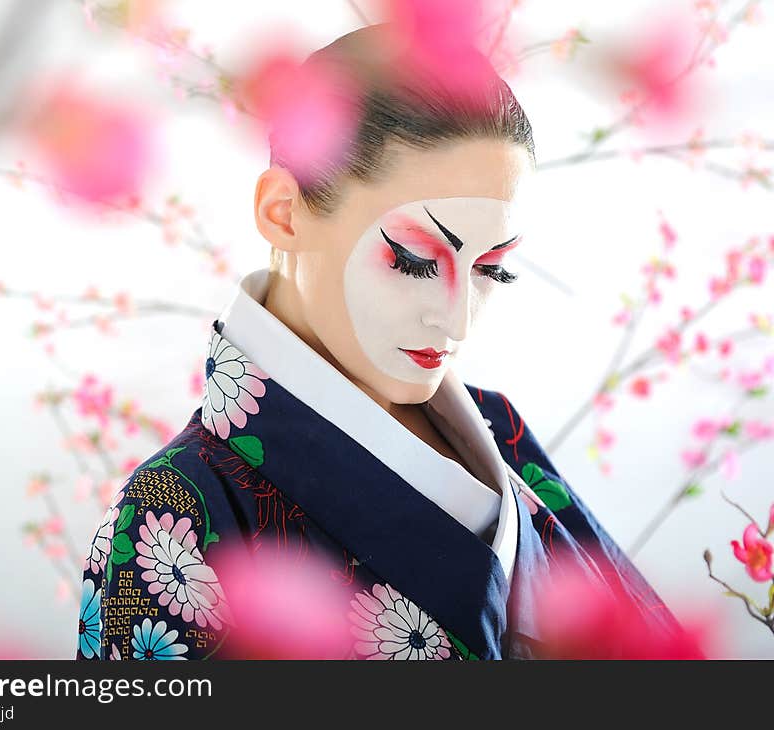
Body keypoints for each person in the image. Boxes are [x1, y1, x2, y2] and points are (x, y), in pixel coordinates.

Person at [75, 24, 690, 661]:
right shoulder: (171, 515)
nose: (456, 321)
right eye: (414, 261)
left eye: (491, 270)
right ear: (284, 212)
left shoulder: (501, 430)